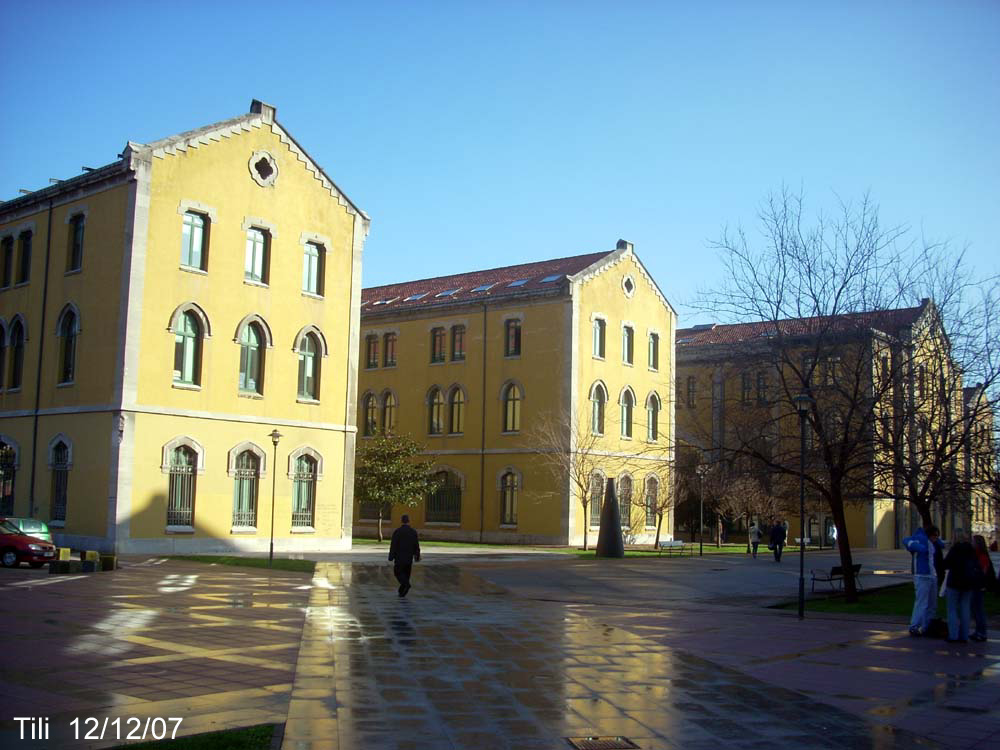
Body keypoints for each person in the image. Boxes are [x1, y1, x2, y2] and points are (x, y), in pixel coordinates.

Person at [902, 525, 944, 636]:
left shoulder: (932, 543)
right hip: (922, 575)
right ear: (930, 535)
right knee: (922, 602)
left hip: (932, 575)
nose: (936, 538)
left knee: (932, 604)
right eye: (935, 535)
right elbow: (906, 540)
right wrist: (917, 546)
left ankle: (927, 626)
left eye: (937, 536)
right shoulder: (921, 540)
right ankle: (914, 626)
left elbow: (941, 543)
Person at [942, 530, 980, 643]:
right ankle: (964, 635)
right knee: (965, 608)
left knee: (952, 609)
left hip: (954, 581)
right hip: (968, 583)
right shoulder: (971, 550)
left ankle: (953, 635)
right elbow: (976, 565)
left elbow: (946, 564)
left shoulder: (955, 549)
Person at [971, 534, 997, 642]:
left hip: (979, 586)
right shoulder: (976, 554)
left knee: (979, 609)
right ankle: (978, 630)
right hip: (975, 585)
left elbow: (984, 571)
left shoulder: (982, 556)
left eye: (973, 541)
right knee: (975, 609)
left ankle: (982, 632)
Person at [388, 514, 421, 597]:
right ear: (408, 521)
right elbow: (416, 545)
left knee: (397, 572)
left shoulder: (397, 532)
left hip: (399, 557)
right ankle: (402, 592)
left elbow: (393, 545)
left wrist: (391, 556)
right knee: (406, 574)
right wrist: (417, 555)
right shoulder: (413, 532)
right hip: (408, 557)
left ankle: (406, 585)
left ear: (401, 521)